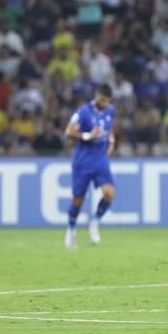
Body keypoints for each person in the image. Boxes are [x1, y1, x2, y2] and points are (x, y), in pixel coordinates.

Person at [64, 83, 116, 249]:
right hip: (83, 161)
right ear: (95, 96)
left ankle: (94, 222)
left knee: (109, 193)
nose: (103, 104)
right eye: (101, 100)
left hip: (100, 160)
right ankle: (71, 230)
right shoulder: (84, 112)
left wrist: (111, 139)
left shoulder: (109, 111)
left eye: (106, 101)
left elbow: (107, 127)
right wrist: (88, 135)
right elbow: (68, 133)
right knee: (78, 199)